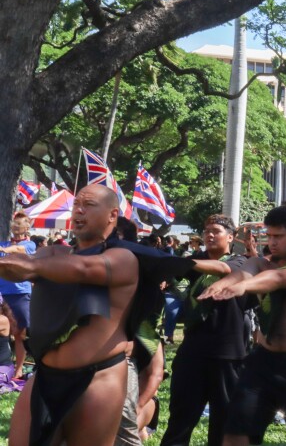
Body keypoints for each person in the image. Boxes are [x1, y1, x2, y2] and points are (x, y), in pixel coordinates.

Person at [4, 184, 191, 446]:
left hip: (99, 379)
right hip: (45, 376)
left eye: (89, 205)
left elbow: (80, 269)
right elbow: (22, 269)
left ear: (112, 215)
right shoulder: (52, 252)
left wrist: (30, 266)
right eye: (76, 204)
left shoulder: (123, 259)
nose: (79, 210)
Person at [198, 205, 286, 446]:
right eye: (269, 235)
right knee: (235, 434)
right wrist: (225, 283)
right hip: (263, 360)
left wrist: (243, 287)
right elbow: (245, 271)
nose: (272, 242)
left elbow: (278, 279)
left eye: (278, 236)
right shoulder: (262, 263)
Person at [161, 214, 255, 446]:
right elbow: (171, 276)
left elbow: (223, 268)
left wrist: (181, 263)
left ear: (231, 237)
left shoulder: (241, 262)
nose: (210, 235)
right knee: (180, 421)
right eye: (207, 231)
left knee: (223, 424)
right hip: (192, 351)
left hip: (227, 354)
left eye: (216, 231)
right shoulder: (194, 261)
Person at [0, 211, 37, 379]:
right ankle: (5, 364)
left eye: (19, 224)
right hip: (2, 293)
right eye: (14, 223)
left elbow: (17, 249)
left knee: (19, 333)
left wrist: (3, 250)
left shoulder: (30, 245)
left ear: (27, 227)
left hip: (20, 294)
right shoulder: (3, 243)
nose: (15, 226)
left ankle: (19, 369)